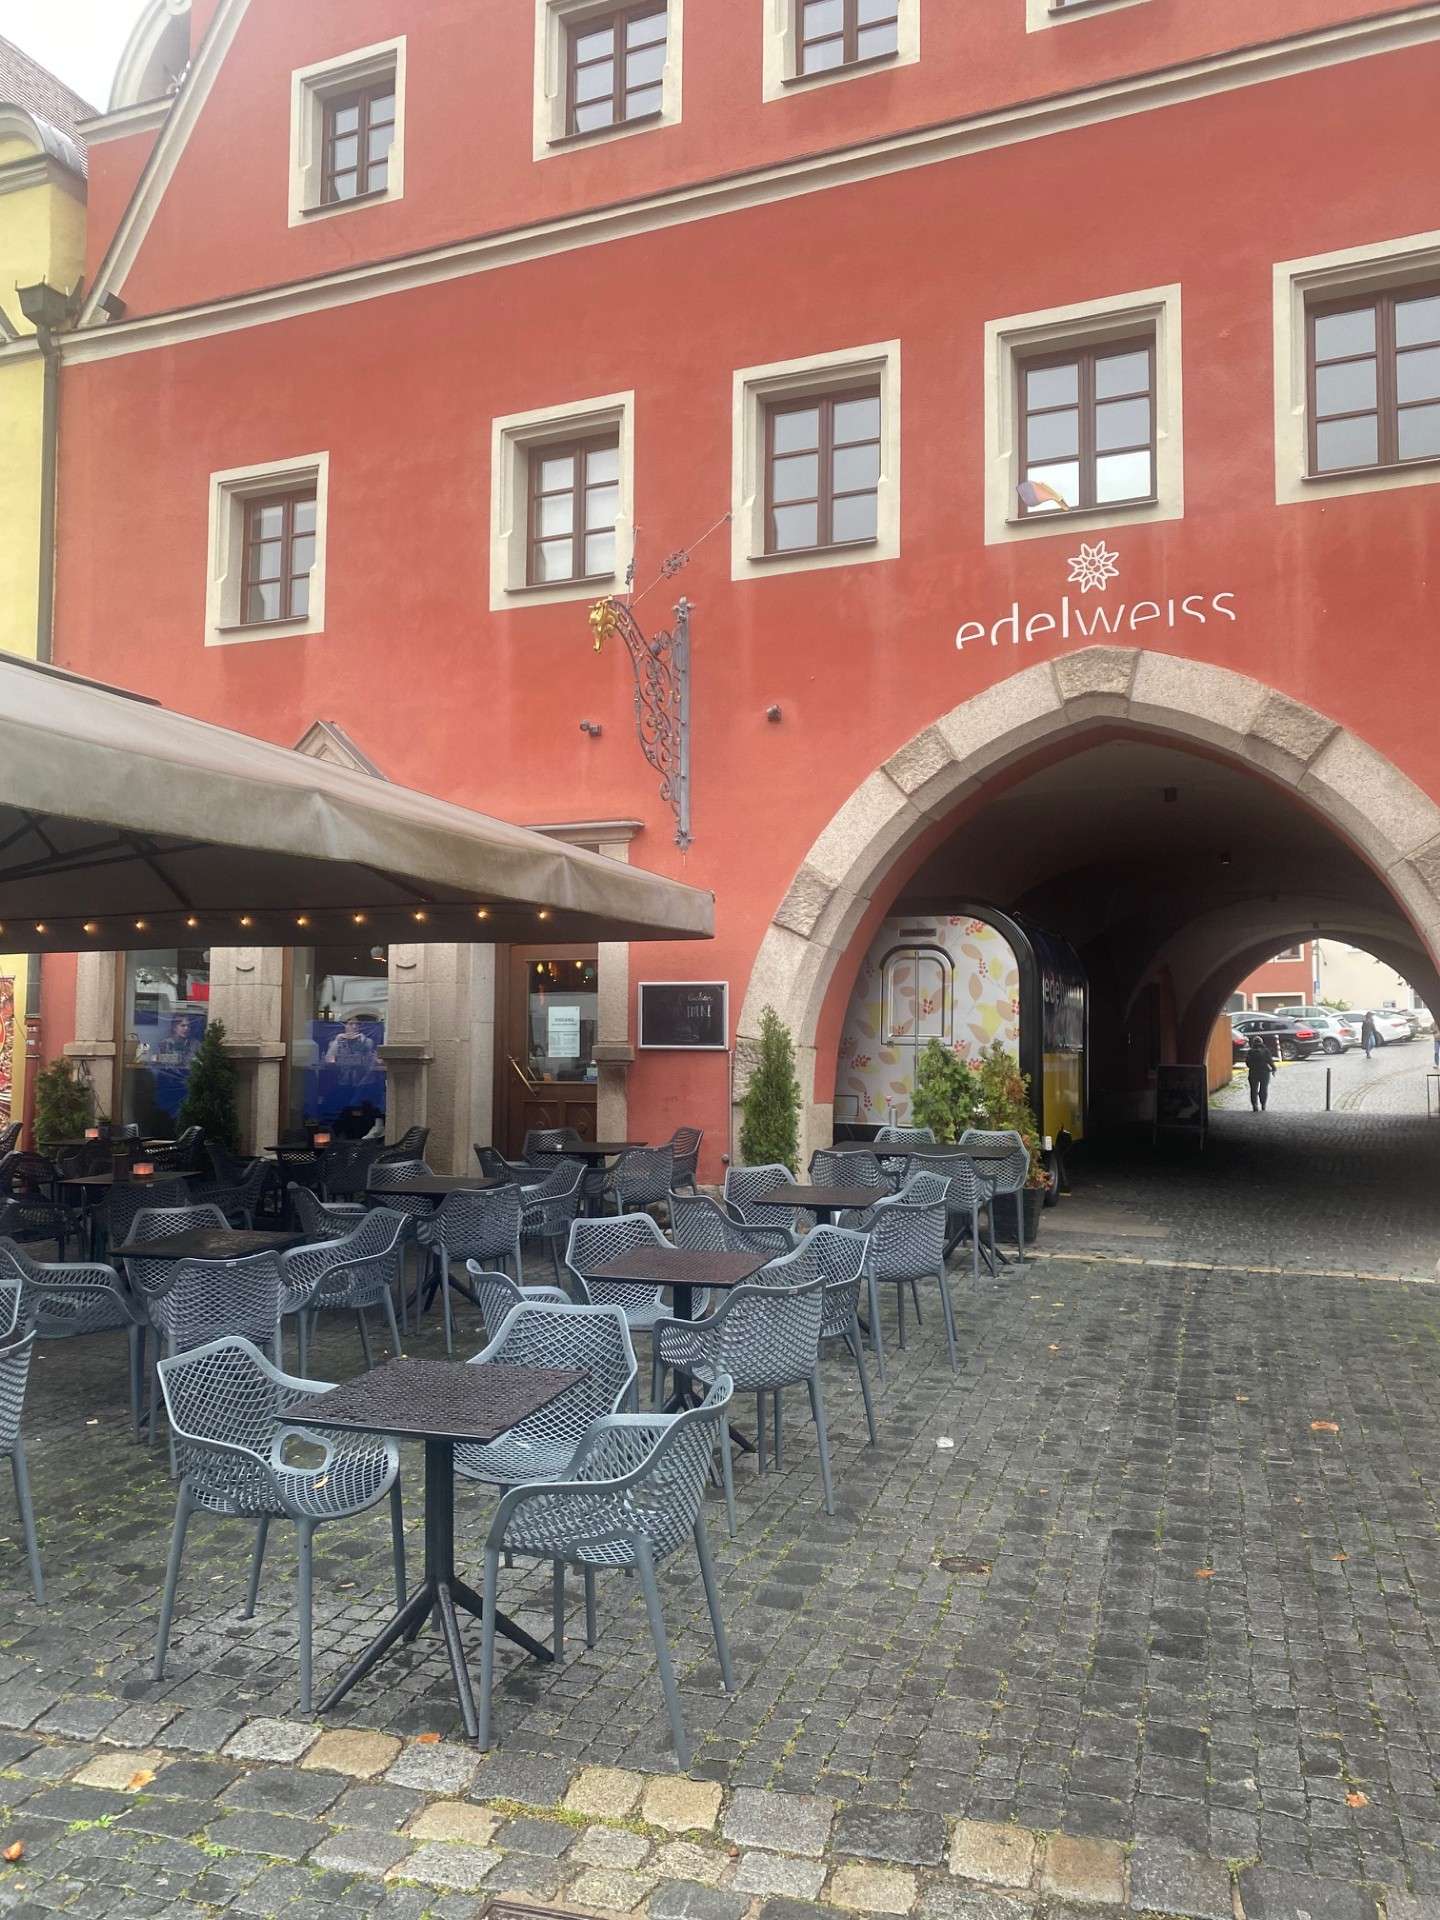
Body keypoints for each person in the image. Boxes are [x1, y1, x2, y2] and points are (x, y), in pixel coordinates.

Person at [1245, 1033, 1274, 1111]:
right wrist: (1273, 1069)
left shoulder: (1250, 1051)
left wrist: (1252, 1067)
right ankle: (1263, 1104)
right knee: (1263, 1089)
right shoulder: (1266, 1050)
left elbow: (1247, 1062)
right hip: (1264, 1072)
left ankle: (1255, 1105)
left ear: (1253, 1043)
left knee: (1253, 1089)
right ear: (1262, 1042)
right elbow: (1270, 1061)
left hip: (1253, 1072)